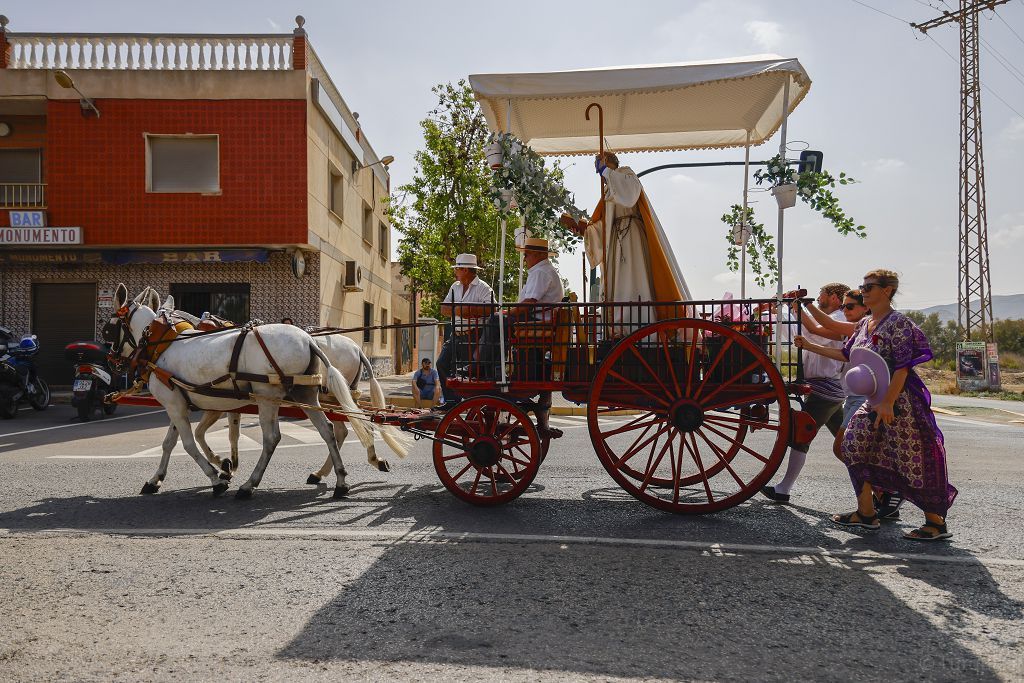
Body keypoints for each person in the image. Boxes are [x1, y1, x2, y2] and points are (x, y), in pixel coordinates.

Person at [795, 269, 957, 541]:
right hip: (873, 400)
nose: (864, 290)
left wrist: (888, 403)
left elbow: (903, 367)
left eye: (869, 287)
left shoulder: (899, 323)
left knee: (913, 459)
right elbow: (846, 353)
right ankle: (866, 513)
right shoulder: (864, 324)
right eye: (863, 285)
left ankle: (935, 522)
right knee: (851, 446)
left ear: (887, 291)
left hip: (901, 402)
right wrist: (811, 347)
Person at [561, 152, 690, 330]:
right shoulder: (609, 188)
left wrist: (607, 172)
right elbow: (603, 225)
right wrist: (584, 229)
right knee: (620, 286)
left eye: (598, 165)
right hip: (616, 240)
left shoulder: (626, 174)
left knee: (635, 281)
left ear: (607, 162)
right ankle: (620, 329)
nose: (598, 172)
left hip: (632, 238)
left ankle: (640, 329)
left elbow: (629, 196)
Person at [761, 282, 850, 504]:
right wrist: (783, 313)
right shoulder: (831, 318)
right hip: (825, 387)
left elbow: (812, 332)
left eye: (822, 294)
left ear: (835, 298)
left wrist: (798, 308)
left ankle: (784, 488)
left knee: (801, 435)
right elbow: (797, 331)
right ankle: (879, 488)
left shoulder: (839, 318)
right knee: (847, 442)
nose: (819, 298)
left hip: (827, 387)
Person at [477, 237, 564, 437]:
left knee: (494, 322)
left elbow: (530, 302)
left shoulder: (541, 272)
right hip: (538, 320)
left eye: (527, 255)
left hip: (535, 321)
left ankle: (483, 366)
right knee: (498, 320)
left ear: (539, 255)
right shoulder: (543, 271)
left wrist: (509, 312)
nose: (525, 259)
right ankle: (492, 366)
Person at [434, 253, 495, 411]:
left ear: (466, 270)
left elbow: (491, 309)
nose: (455, 272)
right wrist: (462, 310)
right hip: (456, 335)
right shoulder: (455, 287)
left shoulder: (483, 288)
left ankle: (474, 405)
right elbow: (444, 308)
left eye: (458, 269)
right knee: (442, 363)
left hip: (474, 336)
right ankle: (451, 401)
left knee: (472, 375)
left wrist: (466, 310)